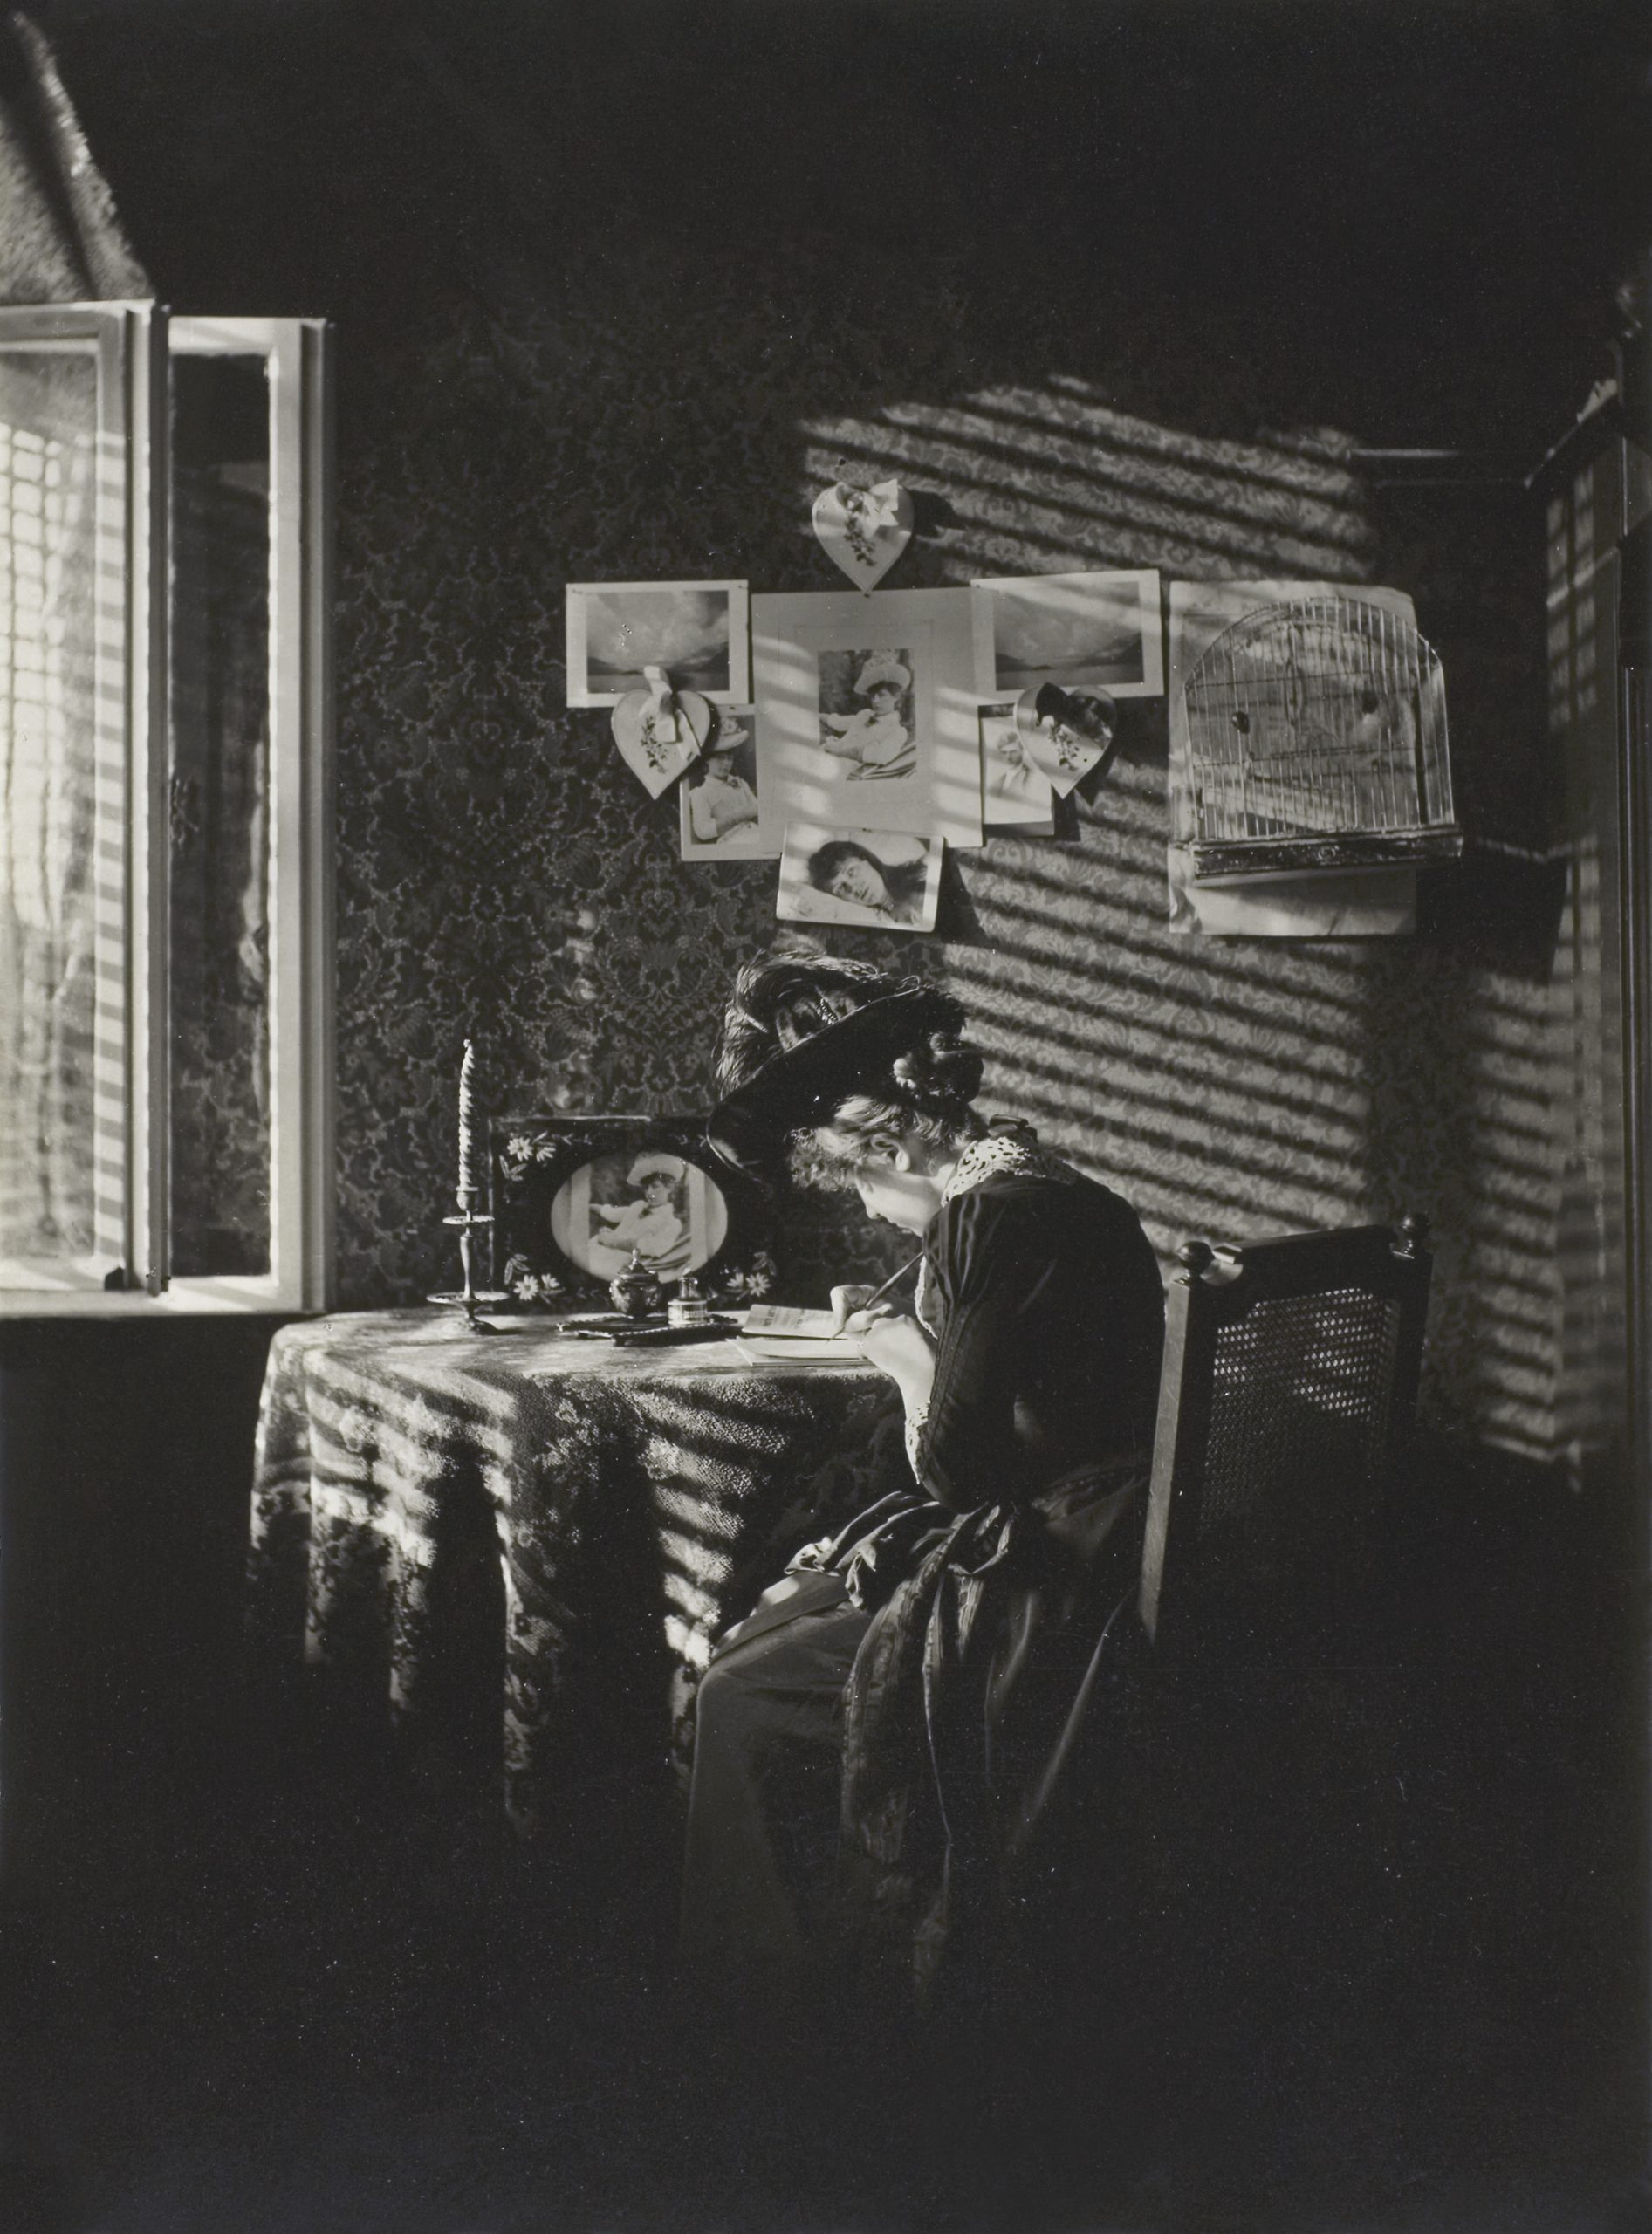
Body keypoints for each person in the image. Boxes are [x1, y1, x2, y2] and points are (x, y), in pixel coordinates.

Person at [679, 952, 1166, 2022]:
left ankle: (763, 2016)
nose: (866, 1209)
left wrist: (902, 1351)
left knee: (740, 1689)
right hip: (1122, 1527)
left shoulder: (984, 1215)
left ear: (888, 1141)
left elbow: (955, 1474)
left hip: (1061, 1573)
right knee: (794, 1604)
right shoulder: (1056, 1189)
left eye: (855, 1181)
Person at [587, 1151, 690, 1277]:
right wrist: (587, 1206)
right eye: (646, 1187)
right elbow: (610, 1213)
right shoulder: (638, 1206)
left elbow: (654, 1248)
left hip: (619, 1261)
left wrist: (612, 1241)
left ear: (670, 1188)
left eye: (655, 1186)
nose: (648, 1192)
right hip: (599, 1247)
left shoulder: (672, 1222)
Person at [821, 652, 915, 779]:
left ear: (896, 697)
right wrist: (818, 715)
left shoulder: (898, 731)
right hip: (827, 755)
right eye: (872, 696)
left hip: (843, 771)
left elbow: (880, 756)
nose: (875, 701)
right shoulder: (864, 714)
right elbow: (838, 722)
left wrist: (839, 751)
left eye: (881, 695)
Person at [805, 838, 927, 925]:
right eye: (840, 888)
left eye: (851, 872)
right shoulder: (878, 921)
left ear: (867, 860)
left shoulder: (920, 873)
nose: (852, 887)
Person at [685, 722, 759, 846]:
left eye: (729, 758)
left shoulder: (740, 782)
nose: (726, 764)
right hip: (732, 842)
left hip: (754, 832)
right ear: (707, 760)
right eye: (720, 758)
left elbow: (757, 809)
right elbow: (703, 831)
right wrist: (741, 816)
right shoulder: (700, 793)